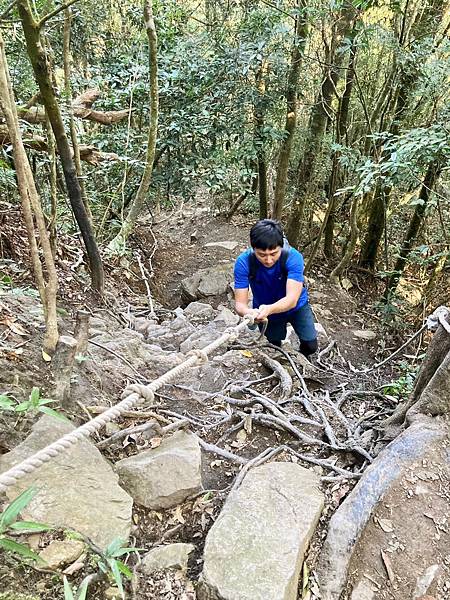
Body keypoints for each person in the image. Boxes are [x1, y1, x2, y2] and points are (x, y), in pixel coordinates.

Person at [234, 219, 318, 357]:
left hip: (297, 307)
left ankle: (300, 358)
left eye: (274, 254)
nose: (268, 260)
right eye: (262, 255)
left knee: (311, 345)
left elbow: (292, 300)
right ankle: (282, 361)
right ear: (253, 248)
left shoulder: (293, 257)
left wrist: (269, 309)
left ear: (281, 246)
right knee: (273, 345)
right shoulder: (244, 262)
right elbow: (240, 304)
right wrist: (248, 312)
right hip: (265, 310)